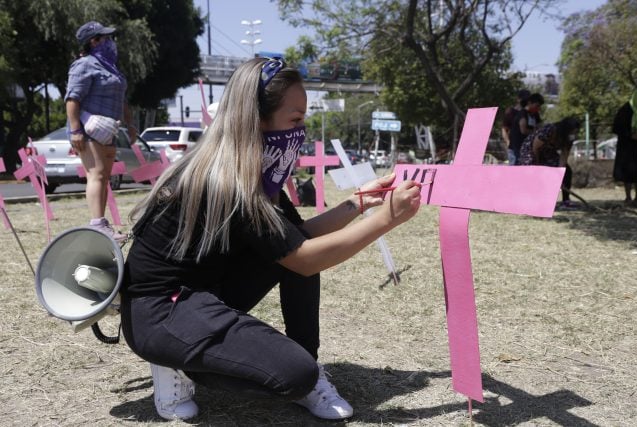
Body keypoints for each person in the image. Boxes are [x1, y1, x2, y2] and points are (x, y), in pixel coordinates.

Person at [120, 57, 422, 421]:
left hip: (203, 292)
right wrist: (388, 218)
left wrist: (359, 202)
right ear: (256, 121)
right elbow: (306, 257)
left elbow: (297, 240)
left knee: (296, 269)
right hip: (161, 311)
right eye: (294, 120)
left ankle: (304, 365)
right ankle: (178, 361)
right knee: (294, 375)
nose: (301, 131)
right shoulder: (230, 181)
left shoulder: (256, 172)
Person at [64, 21, 136, 241]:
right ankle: (97, 224)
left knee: (104, 177)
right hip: (88, 129)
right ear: (93, 41)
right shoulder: (84, 65)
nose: (110, 42)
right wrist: (76, 130)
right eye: (105, 38)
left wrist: (130, 124)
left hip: (108, 129)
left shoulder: (109, 66)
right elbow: (72, 98)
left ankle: (102, 224)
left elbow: (122, 99)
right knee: (96, 175)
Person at [519, 117, 581, 209]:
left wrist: (560, 175)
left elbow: (563, 157)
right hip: (531, 150)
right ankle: (531, 201)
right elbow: (535, 147)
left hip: (548, 152)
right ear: (566, 129)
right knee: (533, 173)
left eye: (576, 132)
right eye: (573, 131)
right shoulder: (550, 129)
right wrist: (537, 165)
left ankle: (566, 200)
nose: (574, 134)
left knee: (567, 171)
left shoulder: (569, 139)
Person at [612, 88, 637, 206]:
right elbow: (616, 128)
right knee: (628, 173)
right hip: (627, 147)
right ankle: (628, 197)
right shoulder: (626, 110)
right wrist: (630, 135)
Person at [509, 92, 545, 165]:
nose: (538, 108)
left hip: (527, 148)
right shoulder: (522, 114)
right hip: (516, 147)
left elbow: (540, 126)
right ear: (529, 103)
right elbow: (523, 130)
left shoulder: (535, 115)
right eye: (537, 106)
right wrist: (535, 132)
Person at [501, 89, 531, 164]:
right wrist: (508, 142)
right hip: (513, 148)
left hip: (526, 148)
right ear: (518, 99)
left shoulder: (529, 113)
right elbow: (504, 129)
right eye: (524, 99)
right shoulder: (510, 112)